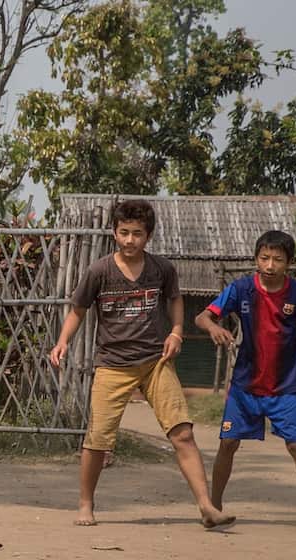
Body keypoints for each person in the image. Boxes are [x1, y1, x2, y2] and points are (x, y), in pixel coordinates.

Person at [50, 199, 234, 529]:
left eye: (137, 234)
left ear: (148, 236)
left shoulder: (161, 269)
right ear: (114, 233)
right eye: (124, 233)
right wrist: (63, 341)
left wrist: (177, 332)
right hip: (112, 364)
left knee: (182, 433)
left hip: (156, 362)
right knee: (98, 440)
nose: (130, 240)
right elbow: (78, 309)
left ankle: (206, 505)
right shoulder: (99, 271)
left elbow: (175, 299)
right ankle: (85, 503)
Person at [194, 230, 296, 510]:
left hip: (287, 386)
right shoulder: (241, 289)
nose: (270, 265)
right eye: (264, 258)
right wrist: (214, 327)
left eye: (277, 259)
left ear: (288, 262)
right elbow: (201, 317)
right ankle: (213, 508)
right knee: (228, 444)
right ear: (256, 259)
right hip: (245, 385)